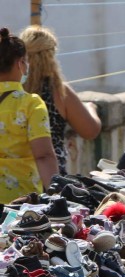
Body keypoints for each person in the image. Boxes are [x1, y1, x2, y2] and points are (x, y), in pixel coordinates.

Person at [20, 25, 101, 176]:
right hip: (50, 177)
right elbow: (90, 130)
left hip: (12, 176)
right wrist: (91, 107)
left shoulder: (12, 90)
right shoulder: (58, 91)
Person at [0, 27, 58, 204]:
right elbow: (43, 155)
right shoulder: (30, 104)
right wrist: (57, 194)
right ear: (20, 64)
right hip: (20, 201)